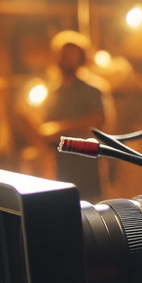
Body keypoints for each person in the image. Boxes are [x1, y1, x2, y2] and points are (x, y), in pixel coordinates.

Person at [35, 31, 114, 201]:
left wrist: (60, 127)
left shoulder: (92, 89)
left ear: (81, 58)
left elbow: (98, 120)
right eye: (63, 55)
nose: (66, 59)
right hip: (60, 164)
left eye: (71, 55)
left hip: (86, 163)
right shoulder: (53, 91)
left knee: (91, 209)